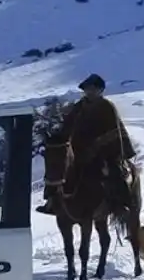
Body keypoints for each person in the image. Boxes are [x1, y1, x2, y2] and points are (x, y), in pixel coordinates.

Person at [36, 73, 137, 215]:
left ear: (100, 90)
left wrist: (97, 145)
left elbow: (114, 131)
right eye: (88, 89)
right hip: (79, 149)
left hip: (105, 151)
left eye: (93, 89)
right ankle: (52, 201)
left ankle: (122, 203)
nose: (90, 92)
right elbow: (68, 125)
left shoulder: (107, 106)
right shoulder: (79, 107)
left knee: (114, 171)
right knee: (58, 167)